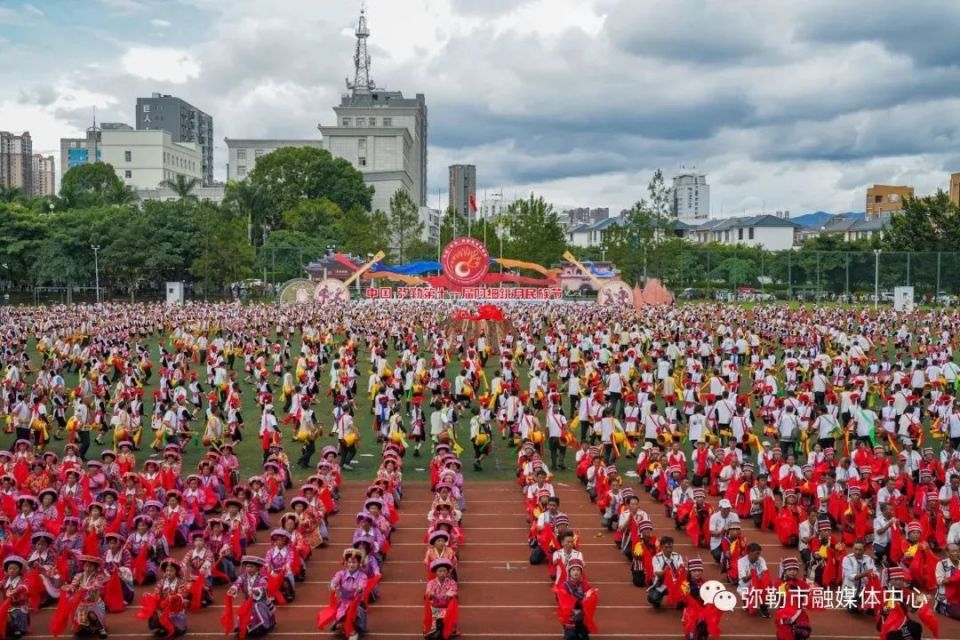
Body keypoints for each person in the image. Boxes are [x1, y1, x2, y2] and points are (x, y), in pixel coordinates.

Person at [226, 556, 277, 637]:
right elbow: (237, 584)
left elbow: (263, 587)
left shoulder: (262, 577)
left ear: (257, 568)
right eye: (247, 566)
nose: (248, 569)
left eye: (251, 567)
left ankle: (262, 627)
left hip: (261, 602)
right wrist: (233, 589)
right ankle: (242, 627)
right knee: (243, 613)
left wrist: (255, 591)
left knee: (257, 607)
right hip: (247, 602)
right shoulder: (243, 577)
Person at [61, 555, 109, 639]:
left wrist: (86, 589)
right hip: (82, 604)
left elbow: (96, 586)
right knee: (81, 623)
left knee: (92, 615)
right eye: (86, 565)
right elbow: (73, 585)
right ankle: (88, 628)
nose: (87, 568)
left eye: (90, 566)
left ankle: (101, 629)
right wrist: (68, 588)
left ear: (95, 568)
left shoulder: (99, 577)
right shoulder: (79, 575)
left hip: (95, 604)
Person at [328, 548, 369, 640]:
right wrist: (332, 585)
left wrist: (359, 588)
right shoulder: (341, 574)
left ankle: (353, 631)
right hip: (343, 603)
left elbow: (362, 585)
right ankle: (343, 626)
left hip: (356, 604)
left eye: (354, 562)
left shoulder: (362, 576)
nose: (351, 565)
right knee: (339, 623)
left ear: (359, 563)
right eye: (349, 562)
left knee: (352, 615)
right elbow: (333, 581)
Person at [146, 558, 190, 637]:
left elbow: (182, 594)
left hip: (175, 609)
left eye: (171, 570)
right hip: (163, 609)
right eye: (167, 571)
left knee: (177, 631)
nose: (169, 573)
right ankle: (163, 626)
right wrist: (149, 595)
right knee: (155, 612)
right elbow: (156, 592)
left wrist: (172, 598)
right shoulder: (161, 582)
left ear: (175, 571)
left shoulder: (180, 582)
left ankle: (173, 626)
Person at [556, 558, 596, 640]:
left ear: (581, 573)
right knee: (571, 637)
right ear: (569, 572)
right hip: (570, 617)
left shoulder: (585, 585)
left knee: (584, 637)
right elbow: (563, 601)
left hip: (581, 617)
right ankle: (568, 631)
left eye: (578, 570)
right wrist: (579, 600)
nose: (576, 572)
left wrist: (591, 595)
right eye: (573, 570)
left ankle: (580, 630)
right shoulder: (565, 586)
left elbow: (590, 595)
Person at [424, 558, 458, 640]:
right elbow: (428, 592)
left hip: (447, 608)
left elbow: (453, 592)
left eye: (444, 571)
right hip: (434, 608)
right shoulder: (431, 582)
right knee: (430, 633)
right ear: (436, 572)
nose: (442, 573)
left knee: (447, 630)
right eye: (440, 571)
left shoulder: (452, 582)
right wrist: (431, 594)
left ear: (447, 572)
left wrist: (438, 595)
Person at [0, 556, 30, 639]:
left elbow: (24, 587)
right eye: (10, 568)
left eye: (15, 568)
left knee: (7, 616)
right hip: (7, 606)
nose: (12, 570)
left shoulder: (23, 580)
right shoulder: (5, 580)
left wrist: (15, 591)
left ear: (19, 570)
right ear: (7, 570)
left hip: (19, 607)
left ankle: (17, 629)